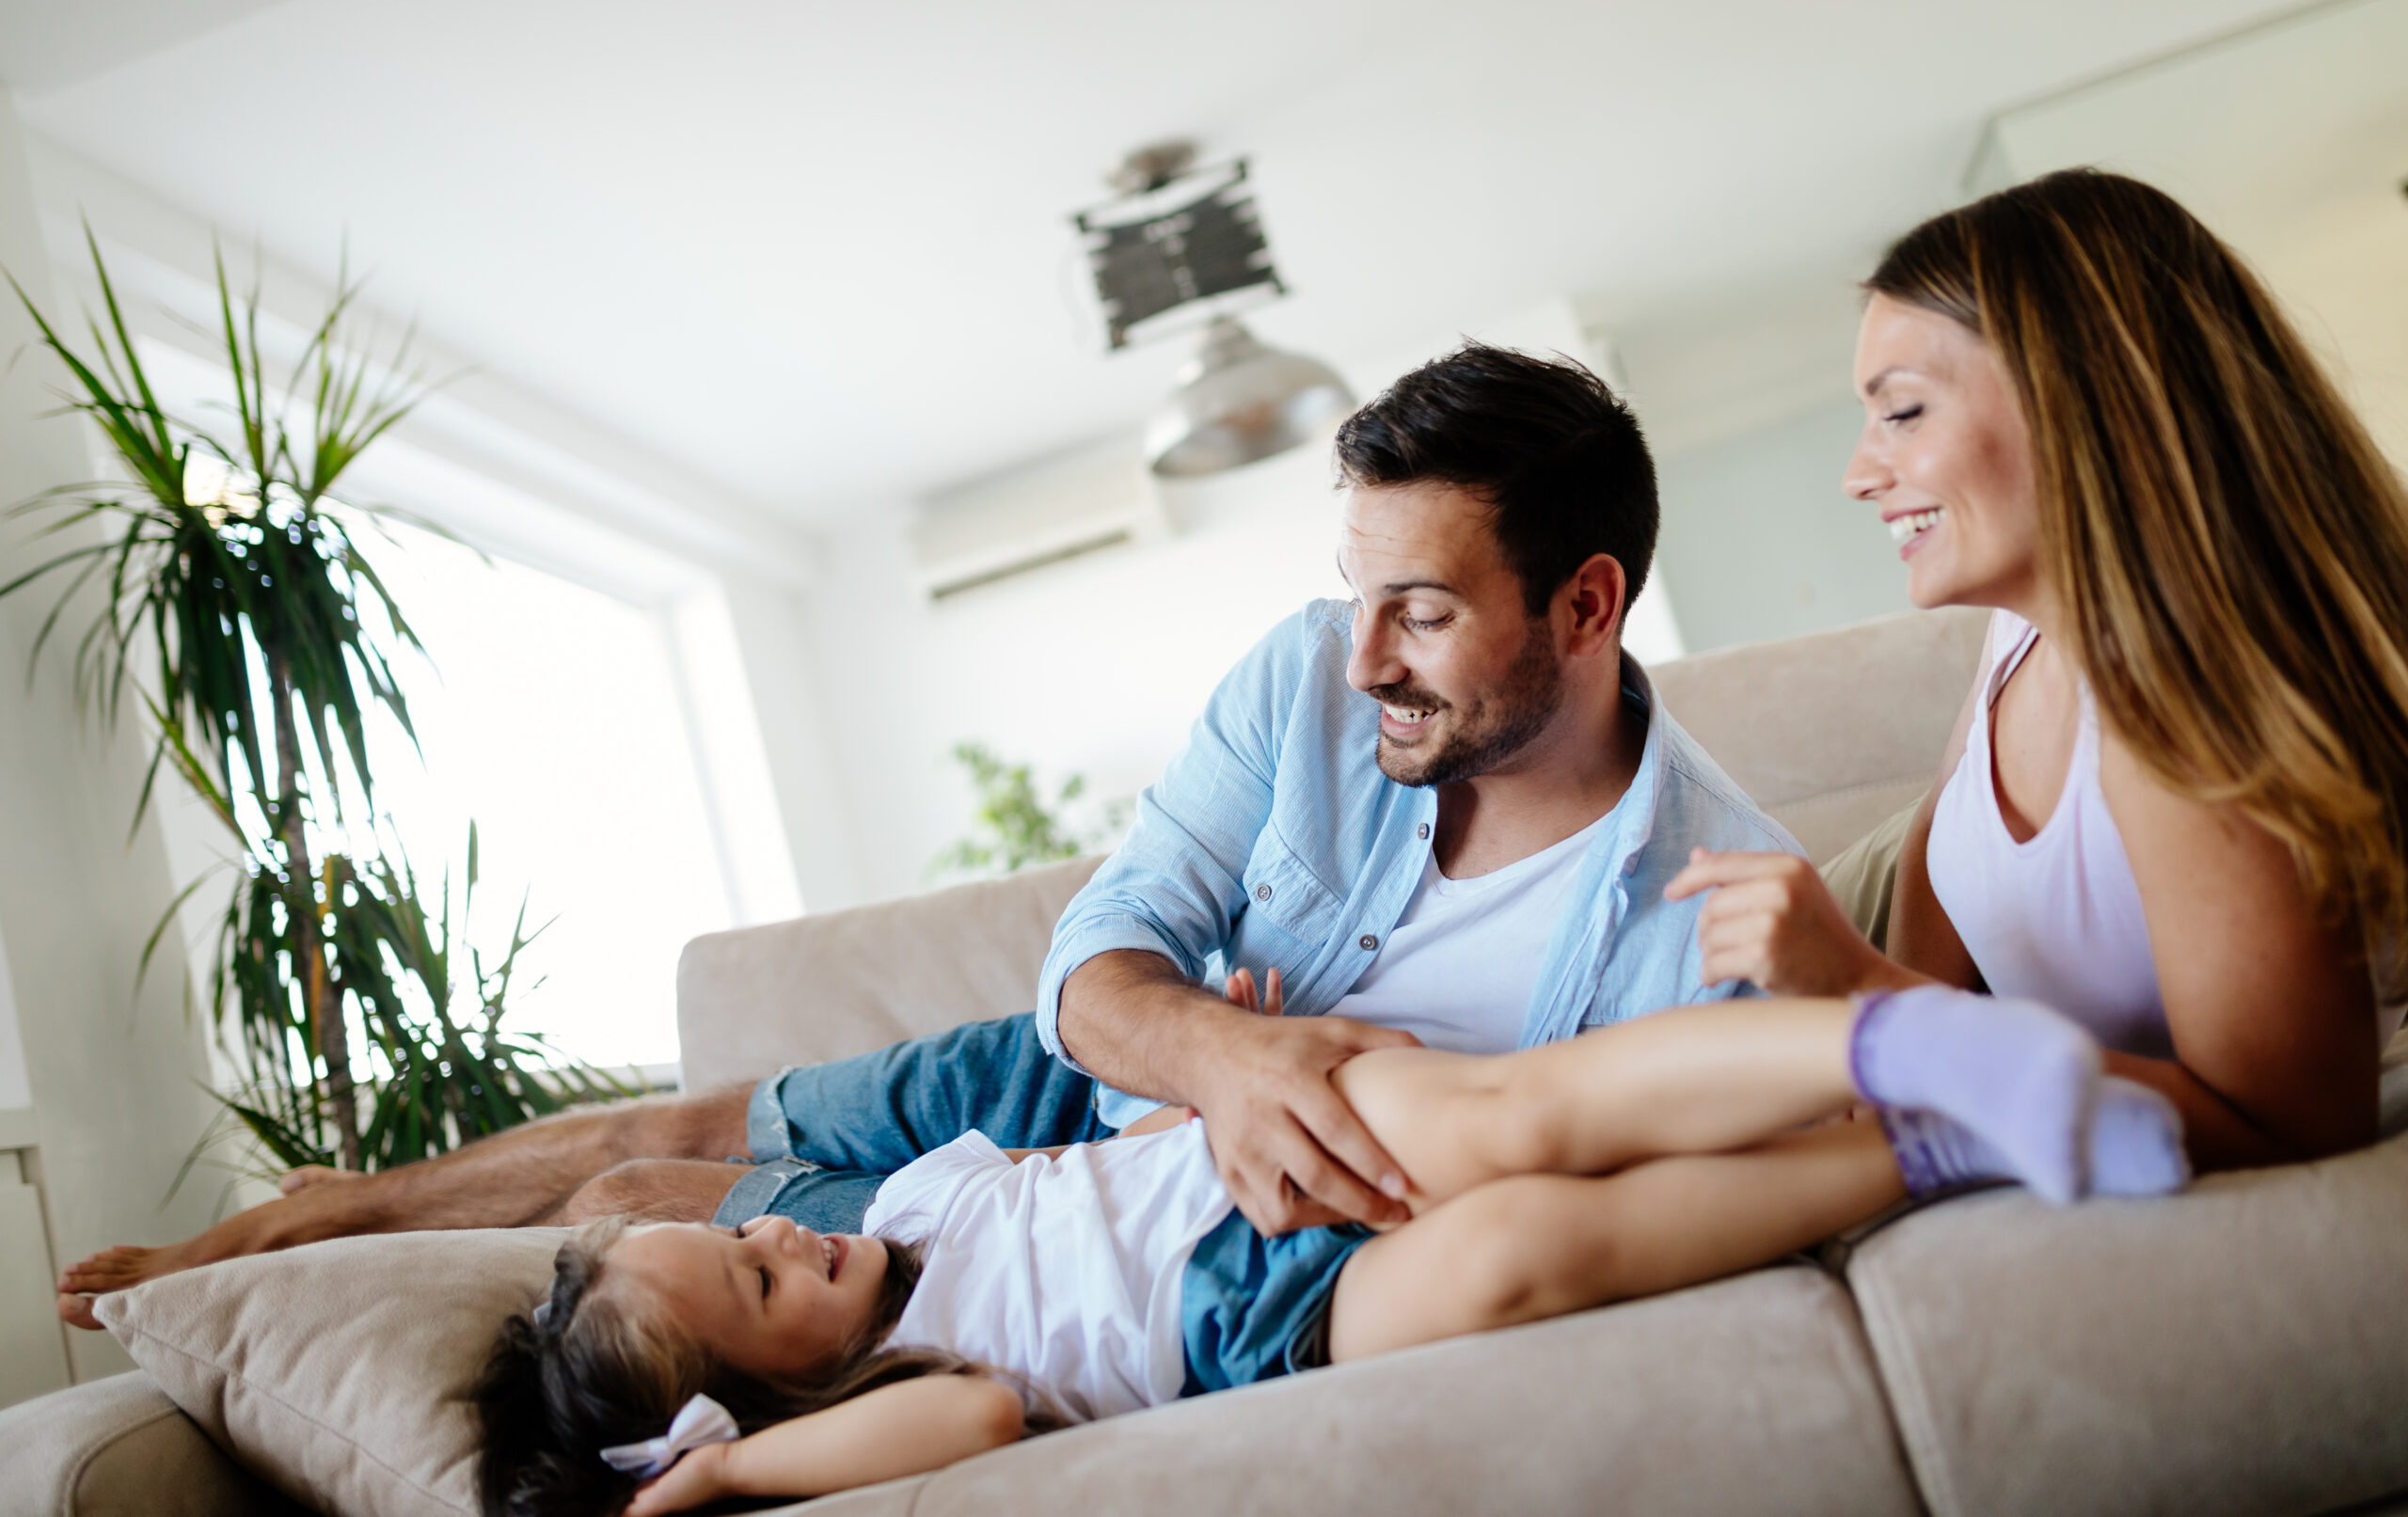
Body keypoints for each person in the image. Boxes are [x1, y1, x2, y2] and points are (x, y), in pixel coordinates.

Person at [58, 341, 1803, 1324]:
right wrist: (1216, 1050)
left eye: (1419, 611)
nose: (1361, 661)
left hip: (1141, 1216)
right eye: (1356, 596)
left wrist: (1256, 1120)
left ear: (1586, 605)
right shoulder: (1306, 678)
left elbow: (1589, 1204)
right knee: (670, 1117)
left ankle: (368, 1223)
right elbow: (1099, 952)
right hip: (1100, 1070)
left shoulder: (1702, 912)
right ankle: (305, 1215)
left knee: (633, 1197)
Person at [472, 985, 2190, 1517]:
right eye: (760, 1283)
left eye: (747, 1232)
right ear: (769, 1398)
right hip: (1252, 1324)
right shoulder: (892, 1405)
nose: (783, 1232)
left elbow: (1095, 1144)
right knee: (1519, 1253)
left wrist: (1216, 1069)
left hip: (1255, 1160)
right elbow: (977, 1421)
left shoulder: (911, 1199)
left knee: (1518, 1115)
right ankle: (1930, 1148)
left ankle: (1898, 1046)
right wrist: (722, 1480)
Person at [1668, 168, 2408, 1181]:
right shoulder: (2022, 635)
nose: (1858, 474)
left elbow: (2292, 1126)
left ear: (2076, 400)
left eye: (1903, 412)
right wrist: (1876, 1035)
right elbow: (1938, 841)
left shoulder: (2189, 729)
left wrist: (1867, 995)